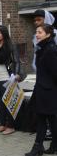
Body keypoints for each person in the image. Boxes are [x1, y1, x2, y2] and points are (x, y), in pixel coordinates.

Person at [25, 24, 57, 156]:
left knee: (45, 119)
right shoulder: (42, 48)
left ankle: (38, 147)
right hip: (42, 90)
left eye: (40, 32)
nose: (36, 34)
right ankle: (50, 145)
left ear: (48, 34)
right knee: (49, 120)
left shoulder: (50, 50)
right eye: (36, 32)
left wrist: (49, 88)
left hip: (48, 92)